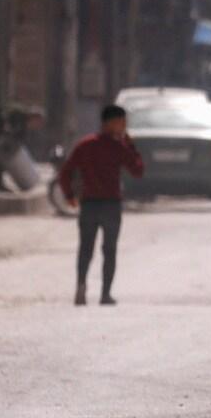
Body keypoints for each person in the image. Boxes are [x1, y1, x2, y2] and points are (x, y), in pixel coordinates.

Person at [57, 104, 145, 306]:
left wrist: (69, 195)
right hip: (111, 205)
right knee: (109, 250)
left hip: (89, 205)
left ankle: (81, 285)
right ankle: (105, 294)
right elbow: (138, 171)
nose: (124, 126)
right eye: (121, 122)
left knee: (86, 248)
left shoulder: (85, 144)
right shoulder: (119, 147)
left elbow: (65, 173)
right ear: (110, 123)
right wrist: (130, 146)